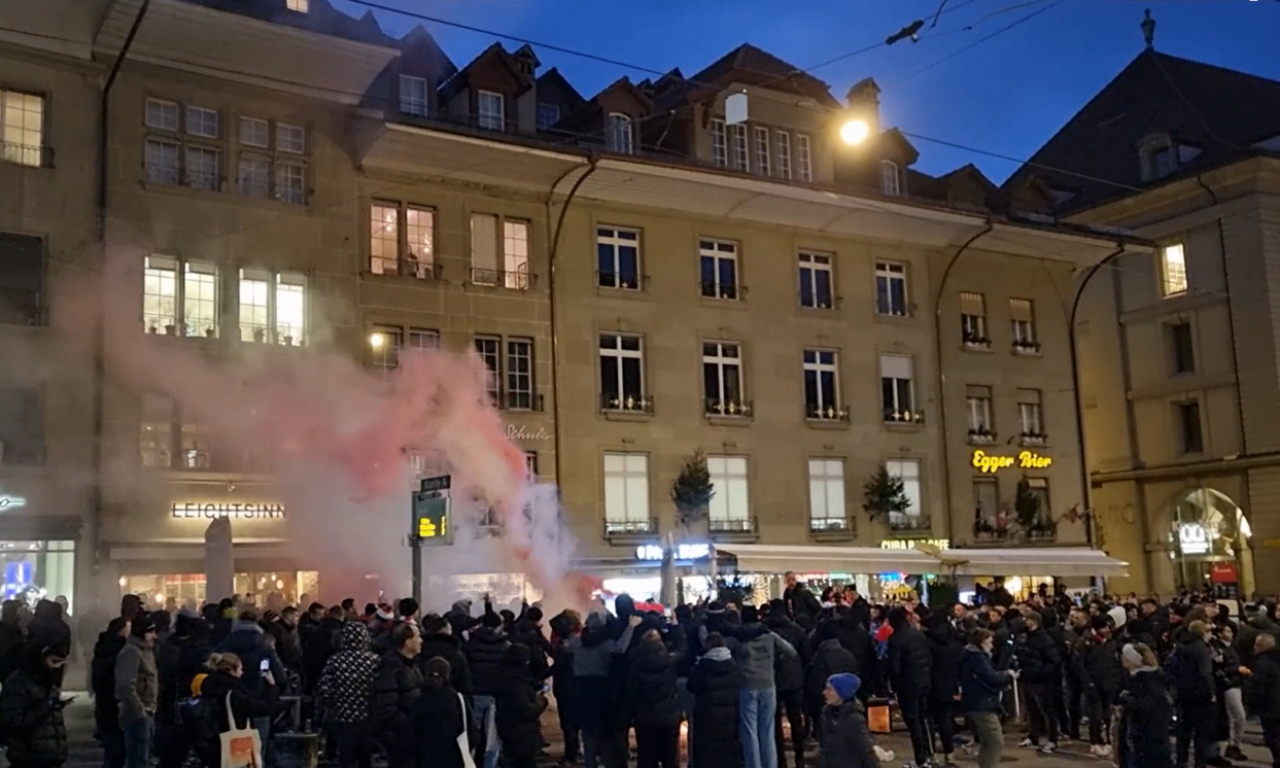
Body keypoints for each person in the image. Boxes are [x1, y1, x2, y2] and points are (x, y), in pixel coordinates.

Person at [733, 606, 798, 768]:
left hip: (746, 685)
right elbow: (791, 652)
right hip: (768, 684)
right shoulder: (769, 635)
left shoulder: (738, 637)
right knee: (767, 730)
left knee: (749, 731)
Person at [189, 652, 279, 768]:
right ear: (232, 670)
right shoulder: (234, 694)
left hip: (210, 745)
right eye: (240, 669)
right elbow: (265, 708)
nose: (242, 673)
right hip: (234, 744)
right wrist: (271, 686)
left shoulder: (207, 687)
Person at [316, 621, 379, 768]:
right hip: (367, 716)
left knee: (345, 756)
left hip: (343, 716)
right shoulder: (374, 661)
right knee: (365, 757)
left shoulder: (335, 661)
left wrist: (331, 706)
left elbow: (325, 690)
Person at [623, 626, 687, 768]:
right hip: (668, 717)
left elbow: (631, 694)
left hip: (645, 720)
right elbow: (682, 649)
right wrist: (677, 627)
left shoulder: (636, 668)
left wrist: (628, 717)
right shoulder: (669, 663)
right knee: (670, 759)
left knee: (646, 759)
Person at [0, 644, 71, 768]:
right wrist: (47, 706)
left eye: (61, 662)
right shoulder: (19, 683)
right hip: (29, 756)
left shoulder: (48, 682)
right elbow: (15, 720)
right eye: (54, 661)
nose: (58, 667)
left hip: (49, 756)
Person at [959, 628, 1015, 768]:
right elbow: (990, 677)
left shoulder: (970, 655)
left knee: (987, 742)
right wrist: (1008, 676)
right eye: (990, 641)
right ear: (982, 641)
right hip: (982, 703)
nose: (992, 644)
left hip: (976, 702)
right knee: (995, 741)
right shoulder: (977, 657)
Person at [372, 623, 423, 768]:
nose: (421, 641)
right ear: (407, 643)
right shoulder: (391, 667)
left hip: (410, 736)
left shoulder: (412, 665)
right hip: (400, 737)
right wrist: (409, 726)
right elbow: (386, 707)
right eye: (417, 637)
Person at [887, 606, 933, 768]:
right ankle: (929, 754)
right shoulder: (918, 634)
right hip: (923, 681)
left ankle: (920, 758)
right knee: (923, 719)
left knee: (913, 721)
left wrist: (893, 687)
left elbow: (895, 667)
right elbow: (928, 658)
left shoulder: (896, 638)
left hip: (907, 685)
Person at [689, 633, 742, 768]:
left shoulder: (703, 665)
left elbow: (692, 686)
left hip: (707, 715)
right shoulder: (733, 664)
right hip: (730, 715)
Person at [465, 611, 511, 768]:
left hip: (475, 693)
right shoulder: (506, 645)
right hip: (495, 695)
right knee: (492, 741)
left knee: (472, 737)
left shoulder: (471, 643)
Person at [411, 657, 473, 768]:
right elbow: (472, 732)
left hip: (426, 758)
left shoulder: (419, 701)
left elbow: (410, 735)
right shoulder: (458, 699)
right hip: (454, 758)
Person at [114, 614, 159, 768]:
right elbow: (125, 685)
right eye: (151, 632)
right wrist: (140, 710)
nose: (155, 636)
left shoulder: (146, 651)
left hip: (147, 711)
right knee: (138, 759)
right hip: (137, 714)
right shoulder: (131, 652)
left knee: (144, 758)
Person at [1013, 609, 1061, 755]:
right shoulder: (1024, 637)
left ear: (1033, 621)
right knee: (1031, 710)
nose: (1023, 621)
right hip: (1026, 678)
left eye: (1026, 619)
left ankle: (1052, 739)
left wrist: (1039, 673)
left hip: (1041, 681)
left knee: (1046, 711)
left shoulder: (1044, 639)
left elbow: (1053, 661)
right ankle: (1032, 737)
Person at [1171, 620, 1217, 768]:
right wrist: (1212, 692)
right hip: (1200, 695)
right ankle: (1200, 763)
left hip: (1183, 693)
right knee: (1201, 733)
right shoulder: (1202, 648)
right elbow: (1205, 673)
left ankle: (1181, 761)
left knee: (1183, 730)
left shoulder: (1180, 646)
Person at [1117, 643, 1172, 768]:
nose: (1122, 658)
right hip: (1140, 732)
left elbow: (1147, 704)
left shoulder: (1148, 680)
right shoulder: (1133, 676)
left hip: (1147, 732)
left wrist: (1126, 698)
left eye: (1126, 656)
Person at [492, 644, 547, 768]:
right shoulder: (517, 683)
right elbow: (525, 709)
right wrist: (541, 703)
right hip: (521, 734)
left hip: (509, 731)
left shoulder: (504, 677)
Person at [805, 621, 857, 740]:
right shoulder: (847, 655)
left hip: (826, 705)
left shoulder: (819, 657)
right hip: (847, 704)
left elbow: (816, 684)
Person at [817, 673, 879, 768]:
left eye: (829, 689)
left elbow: (866, 750)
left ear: (841, 693)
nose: (824, 692)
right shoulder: (826, 714)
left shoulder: (854, 720)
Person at [93, 617, 131, 768]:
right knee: (117, 752)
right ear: (121, 631)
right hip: (114, 704)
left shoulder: (102, 647)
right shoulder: (121, 651)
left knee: (111, 751)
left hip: (104, 703)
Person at [1245, 632, 1280, 768]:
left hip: (1270, 707)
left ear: (1260, 646)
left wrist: (1250, 702)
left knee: (1273, 738)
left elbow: (1258, 687)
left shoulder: (1262, 664)